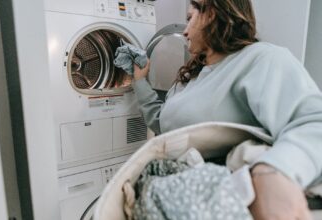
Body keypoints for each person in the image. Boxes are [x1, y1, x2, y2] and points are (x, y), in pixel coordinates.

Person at [130, 0, 322, 219]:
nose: (184, 31)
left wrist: (274, 171)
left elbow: (313, 122)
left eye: (189, 18)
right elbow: (163, 126)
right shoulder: (189, 78)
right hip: (174, 195)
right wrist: (140, 81)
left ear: (211, 13)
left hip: (221, 199)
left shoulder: (261, 58)